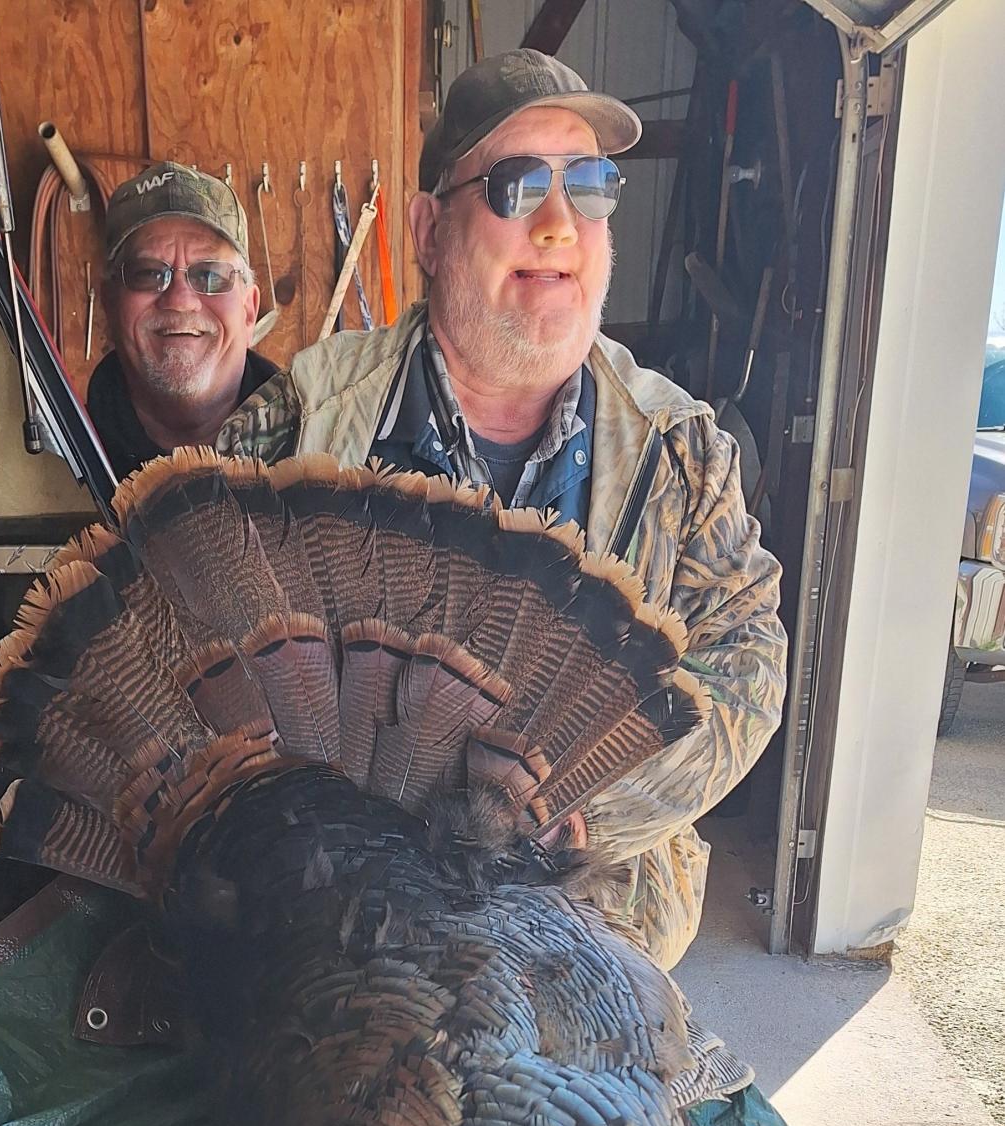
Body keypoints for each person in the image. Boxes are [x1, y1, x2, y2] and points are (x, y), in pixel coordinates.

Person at [217, 50, 786, 972]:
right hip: (343, 924)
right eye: (518, 185)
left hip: (594, 929)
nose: (562, 225)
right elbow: (188, 642)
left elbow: (746, 668)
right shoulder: (307, 419)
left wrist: (572, 814)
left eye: (593, 186)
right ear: (430, 231)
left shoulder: (680, 452)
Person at [87, 163, 278, 478]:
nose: (179, 301)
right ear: (109, 305)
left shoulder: (323, 452)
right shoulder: (61, 469)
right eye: (148, 274)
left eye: (210, 275)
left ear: (248, 311)